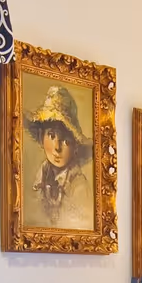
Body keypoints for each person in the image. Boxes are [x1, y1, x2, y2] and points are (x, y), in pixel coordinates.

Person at [24, 85, 93, 229]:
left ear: (75, 147)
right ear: (41, 137)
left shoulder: (79, 186)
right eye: (52, 136)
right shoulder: (41, 177)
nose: (57, 147)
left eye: (66, 141)